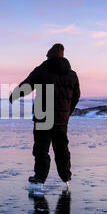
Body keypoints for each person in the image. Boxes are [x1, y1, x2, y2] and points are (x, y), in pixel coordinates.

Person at [10, 44, 80, 188]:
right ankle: (66, 177)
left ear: (49, 56)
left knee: (42, 149)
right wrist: (67, 112)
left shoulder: (42, 70)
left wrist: (13, 96)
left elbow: (26, 86)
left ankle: (39, 179)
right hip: (62, 119)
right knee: (61, 148)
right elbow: (76, 96)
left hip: (43, 117)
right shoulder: (72, 74)